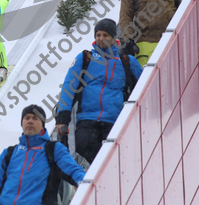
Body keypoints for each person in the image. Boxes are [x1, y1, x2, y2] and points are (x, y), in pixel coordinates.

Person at [55, 19, 143, 165]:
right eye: (98, 35)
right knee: (84, 144)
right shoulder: (85, 58)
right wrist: (62, 117)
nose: (101, 38)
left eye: (105, 35)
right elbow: (68, 88)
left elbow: (145, 87)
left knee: (117, 155)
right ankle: (100, 175)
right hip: (87, 119)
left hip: (115, 120)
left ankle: (105, 175)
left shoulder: (127, 61)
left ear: (114, 38)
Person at [0, 104, 86, 205]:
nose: (30, 121)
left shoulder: (53, 149)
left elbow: (73, 170)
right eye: (27, 118)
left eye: (35, 118)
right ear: (22, 124)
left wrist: (88, 184)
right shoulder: (9, 153)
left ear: (42, 125)